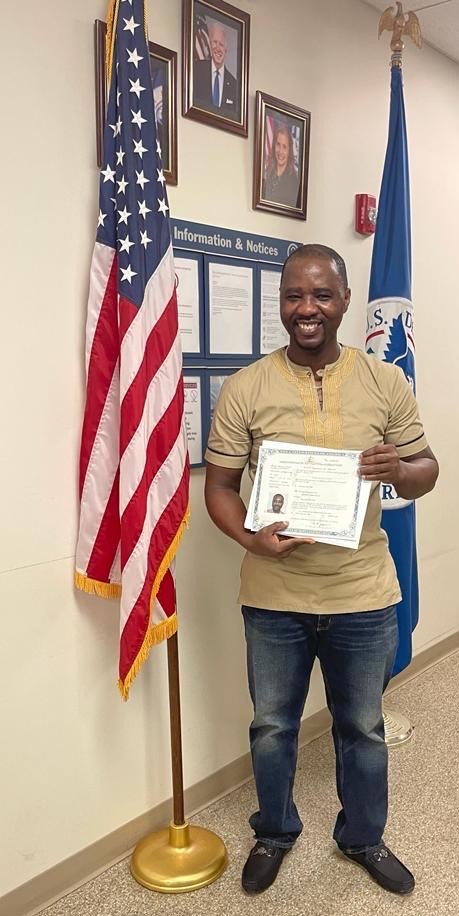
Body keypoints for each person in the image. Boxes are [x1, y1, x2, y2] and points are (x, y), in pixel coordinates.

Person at [204, 244, 438, 896]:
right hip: (273, 595)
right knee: (272, 726)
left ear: (342, 299)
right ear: (281, 302)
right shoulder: (247, 386)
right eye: (292, 296)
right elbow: (218, 488)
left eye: (320, 295)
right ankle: (274, 831)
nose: (305, 309)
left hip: (361, 594)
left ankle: (362, 836)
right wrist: (250, 537)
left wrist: (400, 471)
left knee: (360, 727)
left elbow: (427, 470)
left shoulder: (382, 380)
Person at [193, 22, 239, 120]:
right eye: (215, 42)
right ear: (209, 44)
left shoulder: (234, 85)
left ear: (226, 50)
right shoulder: (196, 70)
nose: (218, 48)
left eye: (221, 44)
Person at [262, 124, 300, 208]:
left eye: (284, 147)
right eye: (278, 144)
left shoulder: (293, 182)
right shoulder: (267, 174)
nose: (280, 151)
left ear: (289, 150)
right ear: (274, 145)